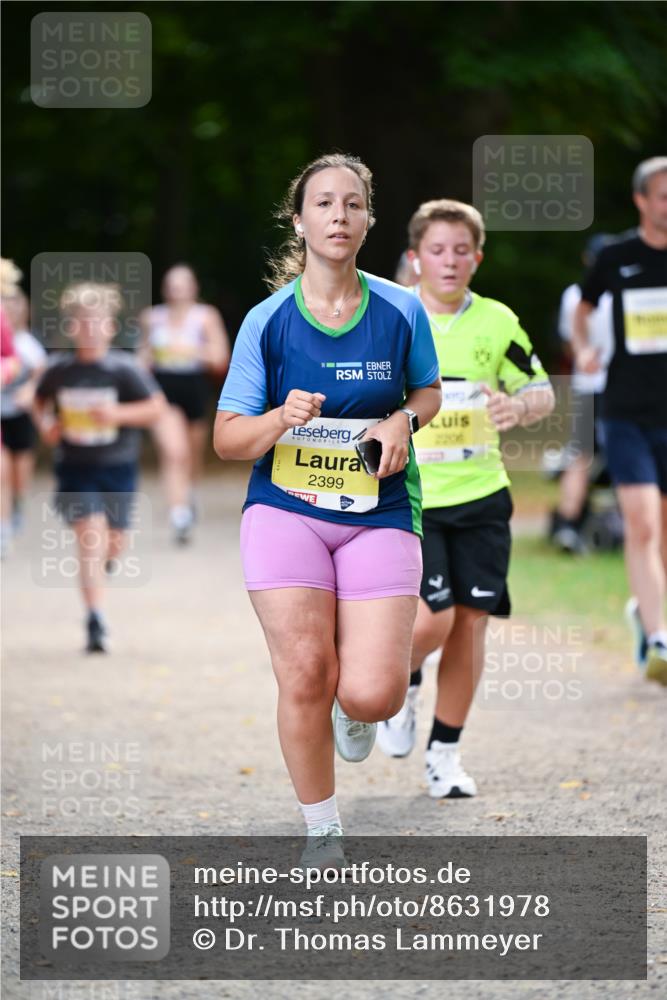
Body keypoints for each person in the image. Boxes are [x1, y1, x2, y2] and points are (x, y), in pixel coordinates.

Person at [214, 153, 441, 858]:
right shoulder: (267, 321)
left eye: (351, 204)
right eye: (322, 204)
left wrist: (403, 419)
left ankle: (362, 697)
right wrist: (280, 417)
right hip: (284, 509)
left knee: (371, 694)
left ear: (368, 219)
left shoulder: (401, 308)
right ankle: (322, 831)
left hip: (376, 509)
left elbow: (427, 391)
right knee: (306, 671)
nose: (337, 216)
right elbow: (226, 439)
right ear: (300, 220)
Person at [377, 199, 554, 799]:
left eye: (461, 251)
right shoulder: (394, 318)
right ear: (414, 257)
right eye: (436, 250)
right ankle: (398, 688)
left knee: (471, 624)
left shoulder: (497, 321)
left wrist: (519, 405)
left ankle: (444, 757)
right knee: (433, 619)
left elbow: (541, 389)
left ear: (477, 258)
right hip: (411, 499)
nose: (449, 262)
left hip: (482, 496)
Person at [572, 157, 667, 685]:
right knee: (643, 523)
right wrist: (585, 349)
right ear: (642, 200)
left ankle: (646, 617)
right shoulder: (616, 256)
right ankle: (660, 639)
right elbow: (582, 310)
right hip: (626, 409)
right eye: (662, 195)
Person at [34, 283, 164, 653]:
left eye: (97, 321)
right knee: (90, 535)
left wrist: (117, 413)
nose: (89, 328)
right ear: (71, 327)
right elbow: (38, 402)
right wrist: (47, 426)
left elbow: (157, 408)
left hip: (118, 467)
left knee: (114, 543)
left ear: (109, 326)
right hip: (75, 468)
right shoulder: (59, 369)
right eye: (81, 322)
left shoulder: (123, 368)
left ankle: (104, 566)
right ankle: (95, 619)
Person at [140, 264, 230, 544]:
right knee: (174, 452)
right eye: (172, 284)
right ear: (165, 289)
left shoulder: (205, 317)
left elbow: (221, 357)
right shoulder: (151, 318)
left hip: (194, 386)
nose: (177, 290)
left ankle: (188, 494)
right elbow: (141, 357)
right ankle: (178, 514)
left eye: (183, 284)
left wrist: (191, 350)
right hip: (162, 390)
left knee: (191, 454)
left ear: (194, 288)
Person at [549, 234, 614, 554]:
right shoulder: (626, 292)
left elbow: (568, 342)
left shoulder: (574, 296)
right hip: (622, 388)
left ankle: (568, 524)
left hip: (587, 387)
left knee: (580, 457)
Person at [1, 289, 48, 538]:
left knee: (20, 476)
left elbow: (41, 376)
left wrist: (29, 391)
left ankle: (17, 505)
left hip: (21, 416)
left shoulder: (29, 344)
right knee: (2, 472)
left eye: (15, 305)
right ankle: (4, 525)